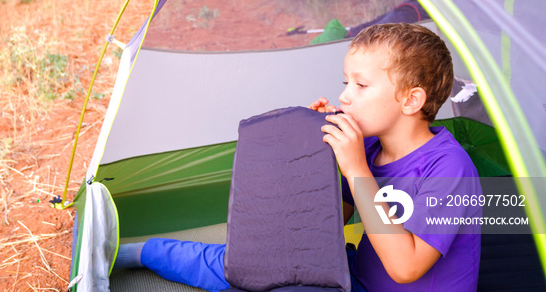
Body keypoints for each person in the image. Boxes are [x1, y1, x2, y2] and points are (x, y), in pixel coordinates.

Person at [114, 23, 481, 292]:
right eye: (345, 84)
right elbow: (319, 229)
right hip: (356, 276)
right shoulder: (368, 149)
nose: (347, 97)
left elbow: (405, 268)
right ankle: (138, 253)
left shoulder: (451, 168)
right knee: (253, 263)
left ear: (411, 100)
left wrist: (355, 169)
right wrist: (314, 152)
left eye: (361, 85)